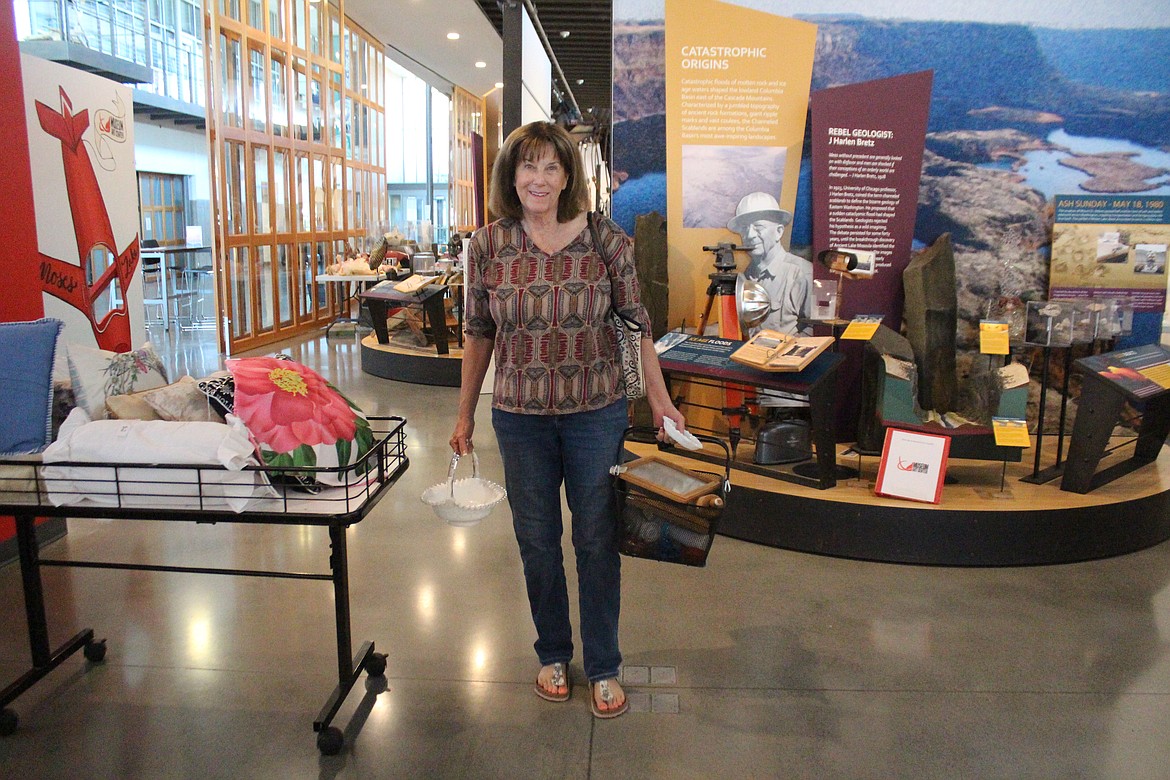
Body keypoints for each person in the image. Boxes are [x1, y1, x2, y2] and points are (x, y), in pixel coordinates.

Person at [450, 121, 686, 719]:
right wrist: (463, 417)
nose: (539, 178)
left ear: (567, 176)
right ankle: (553, 651)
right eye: (528, 166)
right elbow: (478, 335)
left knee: (597, 540)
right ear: (512, 175)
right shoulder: (486, 248)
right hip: (519, 418)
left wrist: (659, 402)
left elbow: (636, 329)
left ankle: (603, 662)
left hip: (596, 414)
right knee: (536, 542)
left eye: (551, 167)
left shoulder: (608, 241)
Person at [728, 191, 812, 414]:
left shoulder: (800, 273)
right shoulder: (745, 278)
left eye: (758, 227)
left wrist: (784, 359)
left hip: (788, 394)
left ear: (779, 231)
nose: (750, 234)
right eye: (744, 228)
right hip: (756, 389)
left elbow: (816, 333)